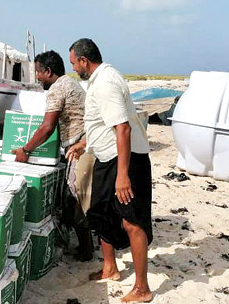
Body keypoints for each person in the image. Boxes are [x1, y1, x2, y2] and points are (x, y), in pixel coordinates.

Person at [66, 38, 153, 303]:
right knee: (101, 213)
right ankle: (110, 268)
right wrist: (85, 144)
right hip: (106, 157)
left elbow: (122, 128)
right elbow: (102, 125)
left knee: (131, 220)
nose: (73, 69)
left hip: (126, 160)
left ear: (84, 60)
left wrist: (123, 175)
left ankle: (142, 288)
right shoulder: (97, 81)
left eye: (74, 63)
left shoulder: (105, 83)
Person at [10, 50, 94, 261]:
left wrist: (26, 150)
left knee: (75, 198)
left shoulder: (57, 89)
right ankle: (85, 245)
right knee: (76, 198)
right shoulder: (71, 83)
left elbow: (47, 127)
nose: (37, 77)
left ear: (48, 71)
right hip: (85, 145)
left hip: (81, 148)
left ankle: (86, 251)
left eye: (38, 72)